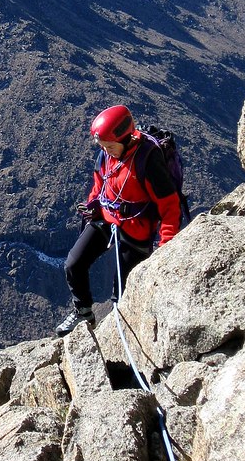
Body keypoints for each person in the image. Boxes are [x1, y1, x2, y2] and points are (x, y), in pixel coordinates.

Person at [56, 104, 182, 336]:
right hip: (106, 216)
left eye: (111, 146)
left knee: (122, 294)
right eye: (104, 147)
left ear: (127, 138)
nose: (107, 151)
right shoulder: (107, 154)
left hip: (137, 228)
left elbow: (169, 206)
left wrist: (166, 246)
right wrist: (93, 204)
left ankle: (121, 334)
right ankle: (83, 311)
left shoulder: (148, 161)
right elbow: (100, 183)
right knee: (74, 263)